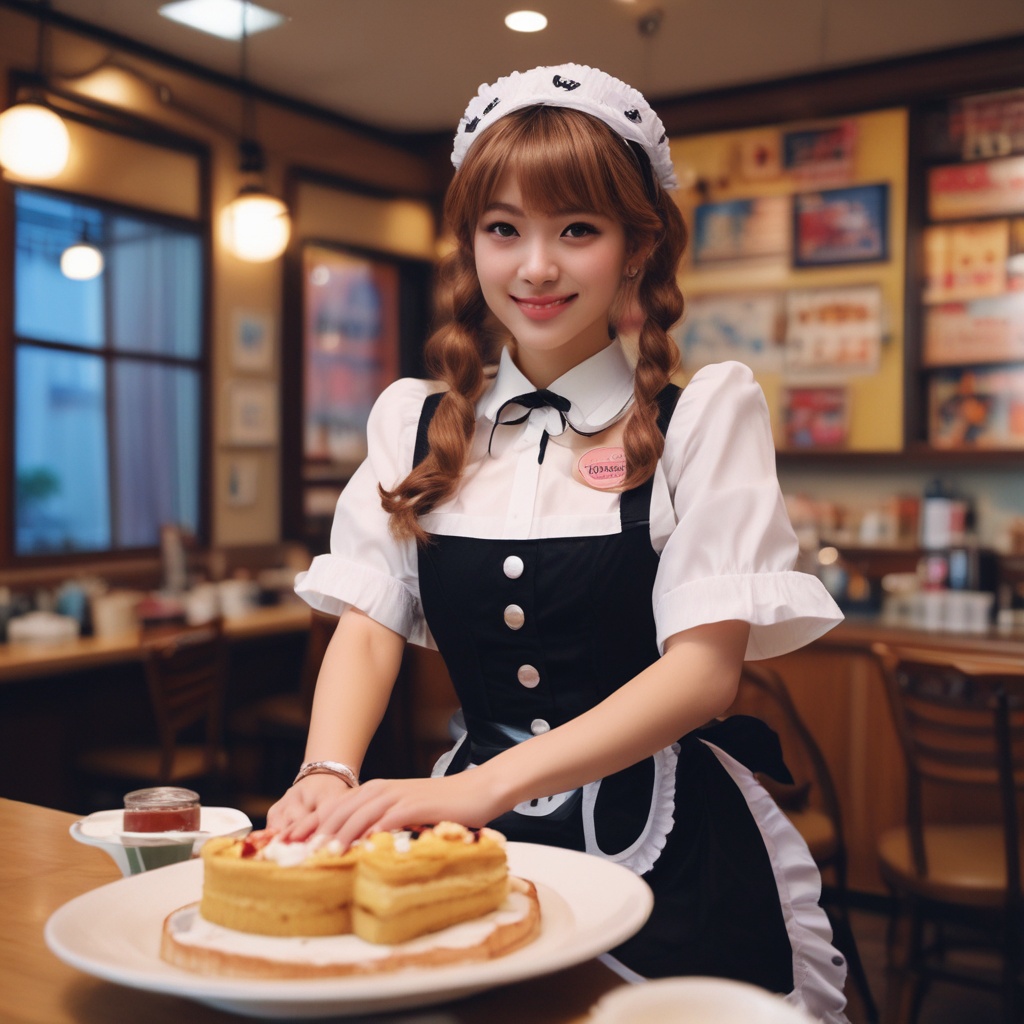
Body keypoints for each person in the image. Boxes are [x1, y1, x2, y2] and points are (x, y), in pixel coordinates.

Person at [269, 63, 849, 1021]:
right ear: (471, 244)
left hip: (674, 850)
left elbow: (704, 675)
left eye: (576, 228)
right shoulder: (411, 422)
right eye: (504, 229)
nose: (535, 267)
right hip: (469, 848)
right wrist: (324, 773)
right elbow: (370, 623)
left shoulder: (703, 414)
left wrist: (478, 790)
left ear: (635, 245)